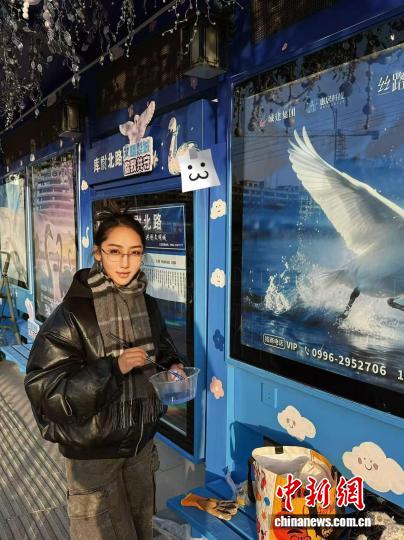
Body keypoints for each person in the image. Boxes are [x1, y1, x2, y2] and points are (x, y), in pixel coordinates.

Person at [24, 212, 185, 540]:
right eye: (115, 251)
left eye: (135, 252)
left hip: (141, 447)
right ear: (98, 253)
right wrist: (113, 369)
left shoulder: (147, 304)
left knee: (141, 530)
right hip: (94, 457)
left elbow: (163, 350)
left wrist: (173, 367)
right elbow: (45, 392)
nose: (126, 262)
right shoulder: (72, 314)